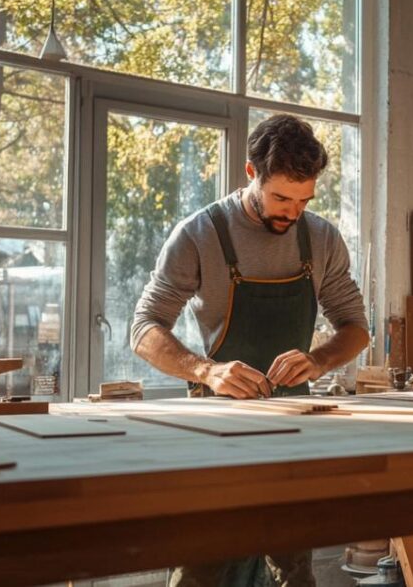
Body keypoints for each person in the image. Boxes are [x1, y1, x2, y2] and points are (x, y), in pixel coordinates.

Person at [130, 113, 370, 587]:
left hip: (292, 430)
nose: (292, 212)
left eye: (304, 200)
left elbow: (356, 328)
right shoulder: (199, 234)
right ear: (250, 174)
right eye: (281, 197)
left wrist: (318, 359)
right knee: (204, 565)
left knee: (295, 568)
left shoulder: (321, 238)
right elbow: (144, 327)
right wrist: (206, 370)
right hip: (218, 430)